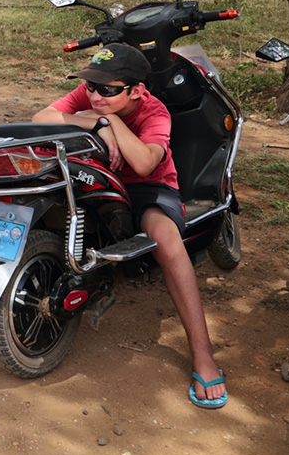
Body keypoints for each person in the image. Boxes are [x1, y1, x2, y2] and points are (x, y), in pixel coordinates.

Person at [32, 42, 228, 409]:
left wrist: (115, 122)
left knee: (167, 239)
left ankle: (203, 355)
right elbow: (40, 118)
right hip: (98, 182)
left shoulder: (156, 112)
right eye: (90, 86)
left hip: (149, 189)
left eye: (107, 90)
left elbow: (143, 163)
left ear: (137, 90)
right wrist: (98, 120)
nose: (94, 95)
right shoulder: (93, 98)